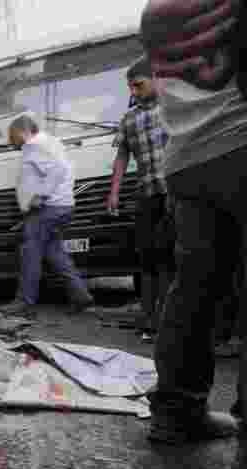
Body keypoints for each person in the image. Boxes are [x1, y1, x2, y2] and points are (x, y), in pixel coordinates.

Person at [139, 0, 244, 453]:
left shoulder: (155, 10)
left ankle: (176, 414)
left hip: (185, 157)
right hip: (239, 142)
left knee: (195, 286)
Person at [0, 115, 95, 316]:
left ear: (22, 132)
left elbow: (58, 169)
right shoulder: (49, 142)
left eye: (11, 136)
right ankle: (80, 295)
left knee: (30, 254)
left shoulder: (34, 145)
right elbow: (63, 168)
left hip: (47, 209)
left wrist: (41, 194)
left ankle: (25, 302)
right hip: (61, 206)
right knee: (55, 253)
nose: (10, 142)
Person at [110, 57, 173, 344]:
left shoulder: (173, 108)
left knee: (172, 258)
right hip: (146, 194)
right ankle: (149, 319)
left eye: (138, 85)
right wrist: (113, 191)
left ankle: (171, 320)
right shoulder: (129, 118)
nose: (133, 92)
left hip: (175, 193)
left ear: (156, 78)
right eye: (131, 88)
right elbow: (122, 155)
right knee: (147, 258)